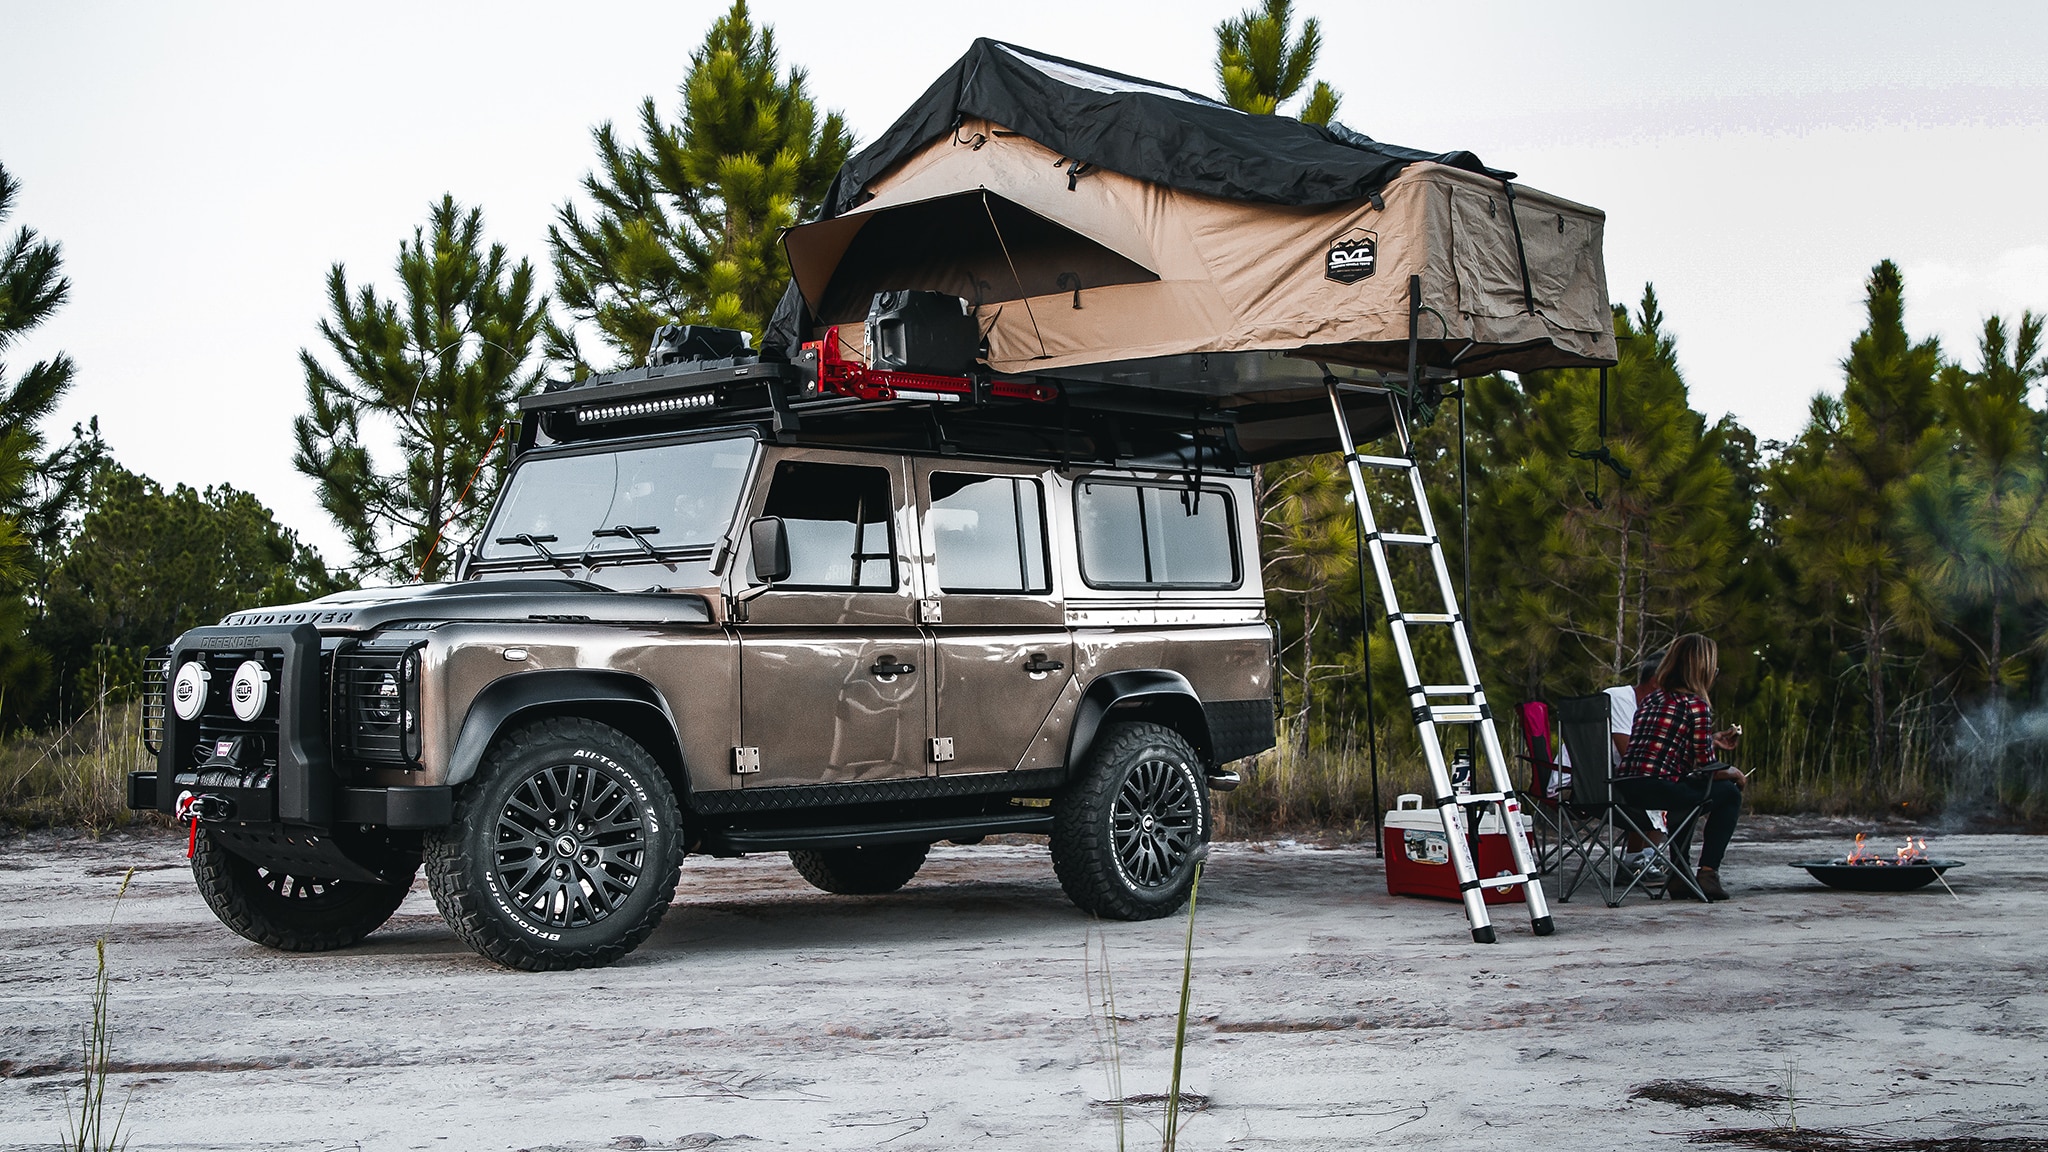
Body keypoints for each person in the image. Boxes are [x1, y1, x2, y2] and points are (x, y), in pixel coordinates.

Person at [1615, 634, 1745, 902]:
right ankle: (1708, 873)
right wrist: (1733, 772)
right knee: (1728, 793)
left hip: (1626, 789)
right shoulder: (1696, 706)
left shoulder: (1652, 700)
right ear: (1704, 669)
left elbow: (1668, 750)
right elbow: (1707, 767)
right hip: (1659, 787)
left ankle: (1679, 873)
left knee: (1687, 796)